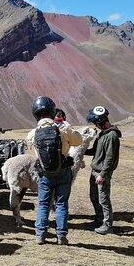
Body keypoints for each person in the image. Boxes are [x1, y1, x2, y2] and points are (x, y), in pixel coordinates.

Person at [26, 96, 84, 245]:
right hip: (63, 172)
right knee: (61, 203)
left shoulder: (33, 133)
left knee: (43, 203)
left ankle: (40, 235)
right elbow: (79, 141)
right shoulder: (63, 128)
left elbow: (30, 146)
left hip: (45, 174)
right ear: (52, 111)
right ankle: (61, 235)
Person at [84, 105, 121, 234]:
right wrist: (81, 150)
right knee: (94, 197)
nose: (95, 126)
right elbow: (95, 152)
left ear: (100, 121)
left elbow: (109, 159)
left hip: (101, 173)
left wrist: (103, 175)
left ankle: (107, 225)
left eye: (95, 123)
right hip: (95, 171)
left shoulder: (111, 136)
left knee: (104, 199)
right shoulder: (102, 134)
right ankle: (99, 219)